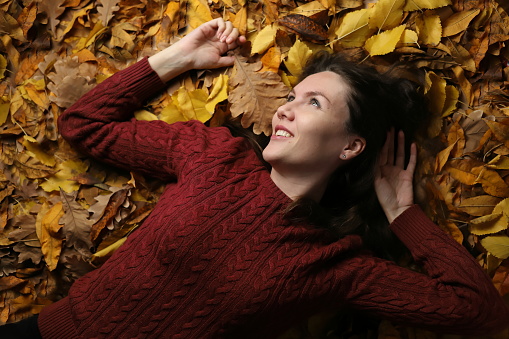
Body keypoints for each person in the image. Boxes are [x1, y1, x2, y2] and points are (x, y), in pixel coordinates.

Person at [3, 18, 508, 338]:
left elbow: (478, 311)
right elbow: (83, 125)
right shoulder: (215, 155)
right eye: (291, 96)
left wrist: (404, 215)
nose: (285, 110)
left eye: (313, 103)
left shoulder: (334, 263)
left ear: (351, 146)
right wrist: (180, 57)